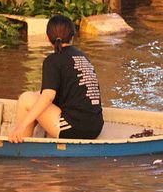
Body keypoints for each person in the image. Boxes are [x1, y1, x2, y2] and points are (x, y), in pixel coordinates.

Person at [9, 15, 104, 143]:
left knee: (26, 98)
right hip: (96, 126)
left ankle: (21, 144)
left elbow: (48, 97)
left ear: (48, 38)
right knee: (37, 95)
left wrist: (23, 125)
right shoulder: (82, 56)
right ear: (72, 36)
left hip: (76, 129)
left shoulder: (52, 60)